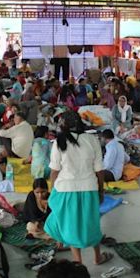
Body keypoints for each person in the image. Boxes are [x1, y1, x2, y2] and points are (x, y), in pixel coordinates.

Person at [44, 111, 113, 265]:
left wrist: (52, 190)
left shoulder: (58, 142)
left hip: (65, 189)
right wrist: (100, 190)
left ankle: (78, 261)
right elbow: (99, 170)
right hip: (89, 188)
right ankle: (97, 257)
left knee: (70, 225)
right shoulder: (92, 139)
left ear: (63, 125)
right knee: (92, 222)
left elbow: (54, 172)